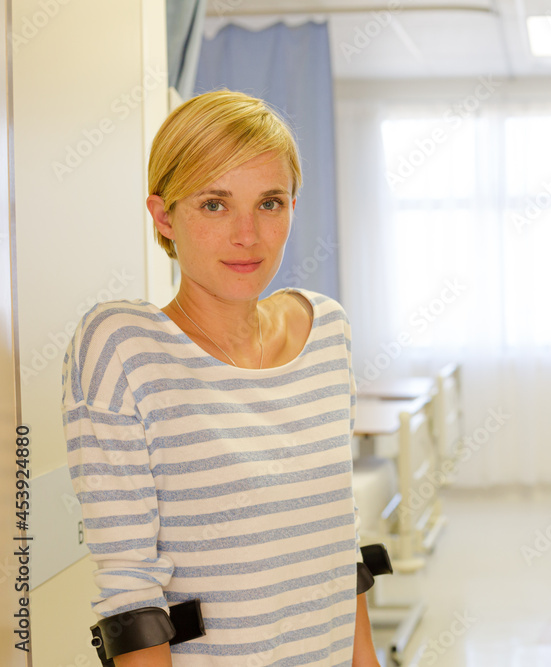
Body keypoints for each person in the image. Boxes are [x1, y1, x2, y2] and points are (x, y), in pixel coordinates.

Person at [62, 90, 380, 666]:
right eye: (214, 204)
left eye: (270, 203)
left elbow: (339, 540)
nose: (247, 235)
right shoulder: (124, 348)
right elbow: (130, 599)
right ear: (164, 215)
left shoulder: (326, 330)